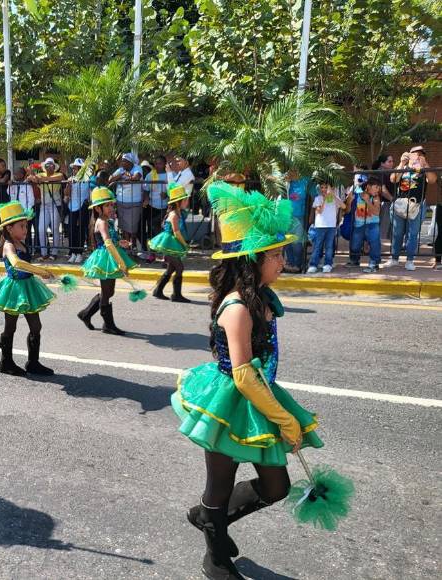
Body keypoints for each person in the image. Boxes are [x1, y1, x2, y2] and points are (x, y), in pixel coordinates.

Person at [172, 181, 323, 580]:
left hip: (259, 394)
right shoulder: (237, 307)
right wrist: (284, 419)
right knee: (220, 482)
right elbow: (242, 374)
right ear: (252, 259)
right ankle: (215, 556)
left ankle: (208, 518)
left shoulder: (263, 297)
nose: (282, 262)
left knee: (275, 486)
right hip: (231, 399)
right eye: (275, 255)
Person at [0, 201, 56, 376]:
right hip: (14, 290)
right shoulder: (9, 245)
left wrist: (40, 272)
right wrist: (40, 271)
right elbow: (16, 263)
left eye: (26, 226)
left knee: (36, 326)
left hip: (29, 288)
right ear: (9, 229)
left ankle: (33, 362)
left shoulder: (22, 243)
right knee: (11, 327)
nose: (25, 230)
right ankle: (6, 362)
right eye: (21, 226)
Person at [77, 187, 137, 335]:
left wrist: (121, 242)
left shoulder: (108, 221)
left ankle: (86, 313)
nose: (111, 208)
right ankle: (107, 324)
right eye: (107, 205)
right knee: (106, 291)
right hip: (105, 259)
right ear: (98, 208)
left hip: (111, 255)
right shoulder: (101, 222)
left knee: (110, 291)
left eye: (112, 205)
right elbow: (107, 243)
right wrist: (121, 264)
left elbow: (112, 241)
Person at [387, 145, 438, 270]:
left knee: (413, 234)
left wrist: (425, 165)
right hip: (400, 205)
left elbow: (432, 180)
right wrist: (401, 162)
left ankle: (410, 260)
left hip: (417, 205)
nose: (418, 156)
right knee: (397, 233)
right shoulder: (403, 167)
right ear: (409, 155)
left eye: (421, 154)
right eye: (415, 154)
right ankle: (394, 259)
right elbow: (393, 179)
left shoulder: (424, 170)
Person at [149, 183, 191, 302]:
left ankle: (158, 290)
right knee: (180, 267)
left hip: (172, 243)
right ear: (178, 202)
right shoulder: (174, 215)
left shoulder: (178, 213)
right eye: (184, 200)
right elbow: (176, 232)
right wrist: (184, 244)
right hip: (169, 243)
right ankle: (176, 295)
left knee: (171, 269)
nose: (187, 201)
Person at [306, 178, 345, 274]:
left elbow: (343, 206)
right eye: (322, 187)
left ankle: (328, 264)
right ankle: (313, 265)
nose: (323, 189)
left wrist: (333, 195)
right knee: (317, 246)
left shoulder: (335, 198)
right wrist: (324, 199)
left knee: (329, 247)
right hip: (320, 226)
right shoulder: (318, 198)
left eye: (326, 187)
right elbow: (319, 211)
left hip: (331, 226)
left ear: (331, 188)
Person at [108, 153, 145, 253]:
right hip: (121, 202)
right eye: (122, 161)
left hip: (134, 202)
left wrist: (127, 178)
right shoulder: (120, 170)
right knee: (124, 228)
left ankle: (133, 247)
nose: (122, 163)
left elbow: (136, 177)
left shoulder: (137, 168)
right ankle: (127, 249)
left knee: (132, 228)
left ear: (130, 162)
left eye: (124, 161)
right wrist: (121, 175)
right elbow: (110, 179)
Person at [345, 177, 383, 272]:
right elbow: (347, 211)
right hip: (359, 224)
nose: (377, 190)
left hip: (372, 224)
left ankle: (374, 263)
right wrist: (349, 202)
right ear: (368, 187)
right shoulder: (357, 196)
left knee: (374, 243)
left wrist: (367, 201)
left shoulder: (375, 198)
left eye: (379, 188)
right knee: (355, 245)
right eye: (375, 187)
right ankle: (354, 260)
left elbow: (376, 212)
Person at [32, 158, 64, 260]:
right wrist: (36, 177)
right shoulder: (41, 174)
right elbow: (33, 178)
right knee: (41, 229)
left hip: (55, 204)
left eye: (51, 164)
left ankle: (54, 253)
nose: (49, 166)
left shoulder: (58, 175)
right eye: (46, 164)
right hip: (44, 205)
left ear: (54, 166)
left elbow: (60, 177)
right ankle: (44, 253)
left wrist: (43, 180)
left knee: (55, 228)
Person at [283, 170, 315, 273]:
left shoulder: (306, 181)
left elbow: (315, 197)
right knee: (287, 242)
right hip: (285, 216)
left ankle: (298, 264)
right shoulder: (286, 182)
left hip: (300, 216)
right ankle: (290, 263)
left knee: (297, 242)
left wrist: (311, 214)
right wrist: (285, 182)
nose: (291, 171)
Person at [64, 158, 91, 264]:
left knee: (80, 231)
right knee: (71, 231)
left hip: (82, 207)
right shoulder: (71, 179)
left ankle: (79, 253)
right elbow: (66, 193)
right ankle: (73, 253)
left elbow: (89, 194)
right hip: (72, 207)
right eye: (74, 168)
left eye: (76, 168)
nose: (75, 170)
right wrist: (69, 184)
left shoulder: (87, 180)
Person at [144, 156, 170, 260]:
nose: (157, 165)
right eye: (156, 163)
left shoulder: (169, 175)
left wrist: (167, 195)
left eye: (160, 163)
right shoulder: (150, 175)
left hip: (166, 207)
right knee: (151, 230)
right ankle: (152, 253)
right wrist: (146, 199)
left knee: (164, 230)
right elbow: (146, 189)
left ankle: (165, 254)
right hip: (152, 206)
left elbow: (174, 188)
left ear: (164, 164)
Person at [9, 166, 36, 249]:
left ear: (22, 175)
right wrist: (10, 185)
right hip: (15, 213)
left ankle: (28, 249)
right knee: (15, 232)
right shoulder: (13, 185)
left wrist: (25, 212)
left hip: (25, 213)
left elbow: (31, 201)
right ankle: (17, 249)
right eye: (14, 173)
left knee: (26, 232)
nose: (14, 175)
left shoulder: (27, 185)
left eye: (16, 173)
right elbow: (9, 194)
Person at [372, 154, 395, 240]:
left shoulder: (389, 173)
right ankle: (380, 249)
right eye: (389, 161)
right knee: (383, 229)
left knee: (389, 230)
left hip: (389, 203)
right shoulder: (379, 173)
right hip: (384, 204)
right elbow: (383, 190)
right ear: (382, 163)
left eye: (392, 161)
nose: (392, 163)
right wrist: (393, 200)